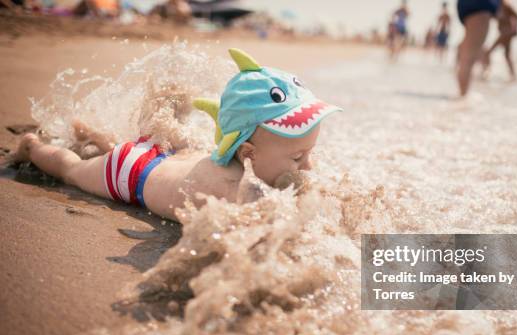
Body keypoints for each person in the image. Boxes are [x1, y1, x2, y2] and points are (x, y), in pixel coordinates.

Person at [8, 49, 342, 222]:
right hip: (128, 173)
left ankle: (92, 134)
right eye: (298, 158)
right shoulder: (235, 191)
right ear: (248, 153)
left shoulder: (241, 157)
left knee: (144, 146)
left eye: (308, 153)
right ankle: (33, 147)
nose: (308, 166)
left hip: (164, 158)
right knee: (70, 170)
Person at [455, 0, 500, 96]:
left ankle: (461, 97)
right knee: (468, 58)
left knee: (468, 51)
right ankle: (461, 100)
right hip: (481, 5)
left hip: (467, 4)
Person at [482, 0, 517, 80]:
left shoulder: (506, 6)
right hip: (503, 34)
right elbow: (489, 16)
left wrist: (515, 29)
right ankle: (513, 76)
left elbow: (516, 16)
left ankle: (486, 72)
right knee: (507, 55)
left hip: (506, 34)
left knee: (488, 52)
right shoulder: (496, 8)